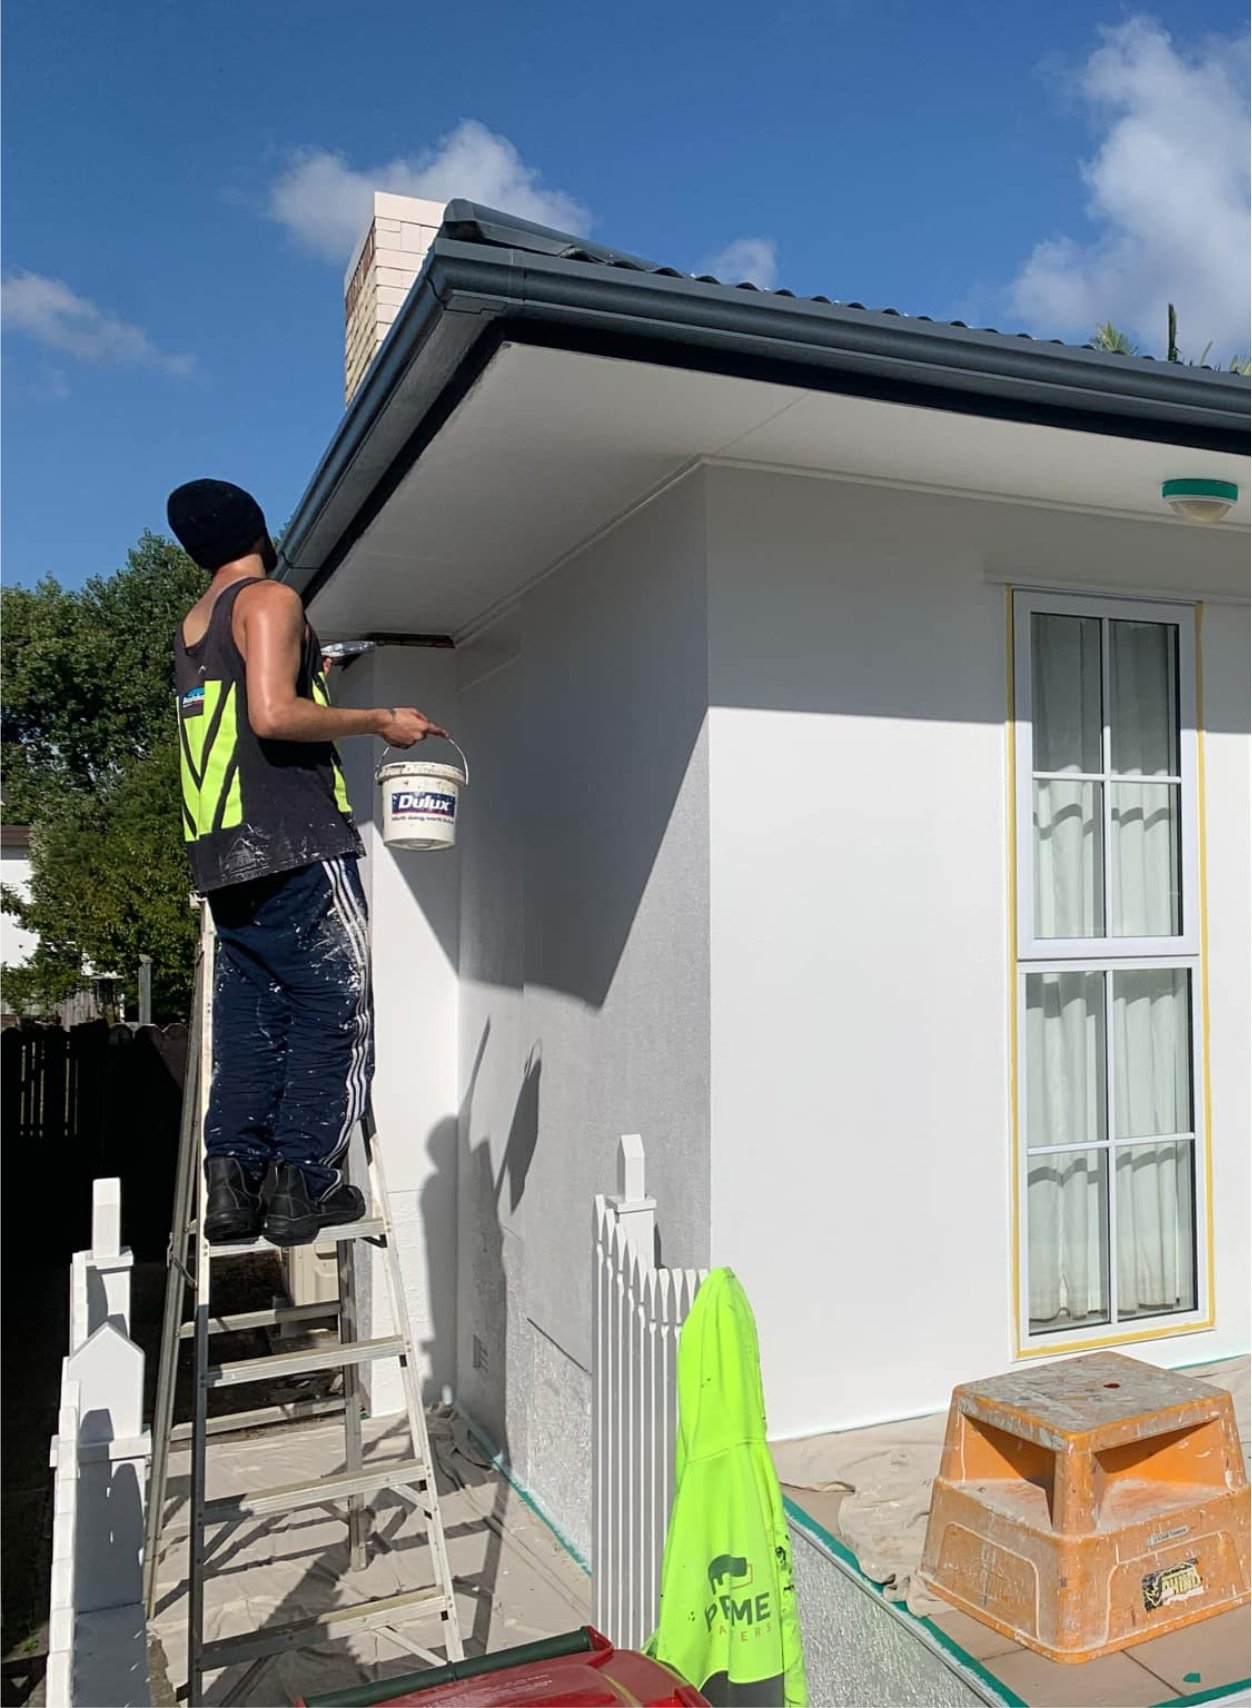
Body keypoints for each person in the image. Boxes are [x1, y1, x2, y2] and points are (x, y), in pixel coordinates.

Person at [168, 478, 443, 1246]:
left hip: (224, 854)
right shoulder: (270, 600)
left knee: (256, 1015)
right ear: (258, 526)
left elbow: (238, 709)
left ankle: (234, 1182)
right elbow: (273, 714)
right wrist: (380, 719)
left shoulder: (194, 624)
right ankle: (306, 1186)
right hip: (292, 839)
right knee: (335, 1006)